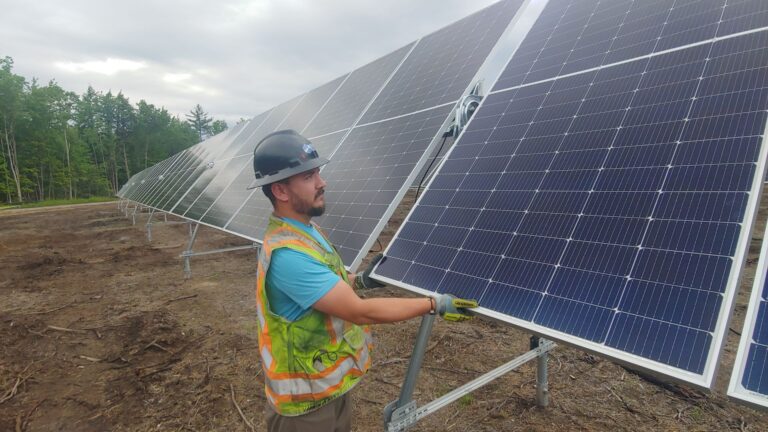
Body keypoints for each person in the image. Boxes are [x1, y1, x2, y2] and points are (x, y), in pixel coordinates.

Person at [248, 129, 478, 432]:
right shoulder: (288, 255)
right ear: (280, 191)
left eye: (318, 173)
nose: (322, 183)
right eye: (308, 177)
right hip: (303, 409)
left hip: (324, 388)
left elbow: (328, 285)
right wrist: (432, 304)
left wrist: (361, 281)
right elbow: (360, 312)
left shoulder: (306, 231)